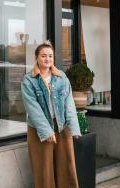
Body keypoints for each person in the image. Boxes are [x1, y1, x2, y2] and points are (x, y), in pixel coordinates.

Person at [21, 40, 80, 188]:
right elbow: (32, 108)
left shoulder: (62, 78)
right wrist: (47, 131)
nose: (47, 59)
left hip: (61, 126)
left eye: (50, 56)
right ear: (36, 57)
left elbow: (69, 104)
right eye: (43, 56)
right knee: (44, 171)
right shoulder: (28, 81)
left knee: (67, 167)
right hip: (39, 129)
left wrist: (74, 128)